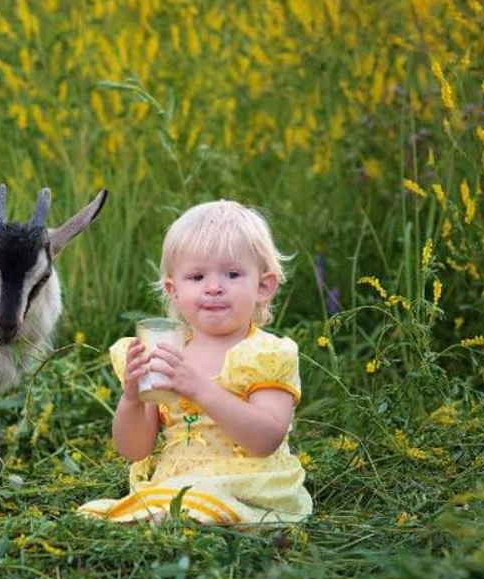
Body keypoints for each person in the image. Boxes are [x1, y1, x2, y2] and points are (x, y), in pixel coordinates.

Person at [78, 200, 312, 525]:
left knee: (190, 503)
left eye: (232, 274)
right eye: (197, 276)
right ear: (173, 290)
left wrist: (199, 388)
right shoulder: (165, 353)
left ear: (263, 286)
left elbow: (265, 440)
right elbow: (134, 450)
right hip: (177, 482)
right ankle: (174, 515)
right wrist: (132, 397)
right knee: (106, 512)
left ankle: (187, 516)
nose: (214, 288)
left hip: (249, 483)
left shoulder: (265, 355)